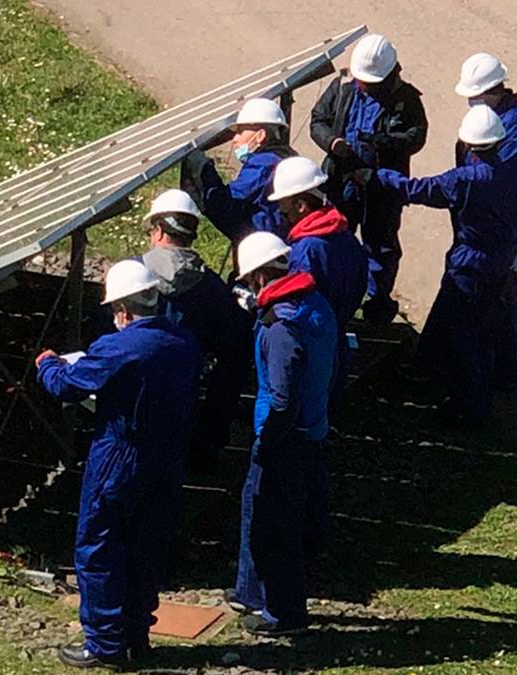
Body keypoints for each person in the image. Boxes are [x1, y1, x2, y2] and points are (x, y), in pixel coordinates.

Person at [37, 260, 203, 670]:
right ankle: (136, 635)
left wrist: (48, 364)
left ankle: (103, 643)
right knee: (146, 548)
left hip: (119, 453)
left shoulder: (118, 348)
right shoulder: (184, 344)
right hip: (166, 457)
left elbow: (67, 386)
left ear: (124, 310)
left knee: (100, 545)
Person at [373, 106, 517, 423]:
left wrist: (378, 176)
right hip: (500, 259)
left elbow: (418, 189)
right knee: (481, 328)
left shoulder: (466, 179)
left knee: (462, 336)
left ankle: (470, 406)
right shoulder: (514, 174)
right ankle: (469, 386)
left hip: (470, 262)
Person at [223, 231, 336, 636]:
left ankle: (283, 613)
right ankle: (252, 593)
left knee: (275, 525)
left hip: (282, 437)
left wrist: (267, 443)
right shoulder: (315, 305)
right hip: (311, 428)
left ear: (257, 277)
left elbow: (283, 398)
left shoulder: (279, 328)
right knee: (265, 511)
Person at [310, 33, 428, 325]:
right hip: (341, 181)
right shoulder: (343, 87)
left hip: (382, 186)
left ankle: (376, 309)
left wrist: (380, 142)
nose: (363, 85)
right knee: (334, 241)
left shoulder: (406, 100)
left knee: (381, 248)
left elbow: (415, 137)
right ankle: (336, 299)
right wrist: (332, 143)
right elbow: (318, 120)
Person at [454, 52, 517, 390]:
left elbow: (491, 182)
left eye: (474, 94)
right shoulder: (493, 119)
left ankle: (499, 372)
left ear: (493, 90)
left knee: (498, 294)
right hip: (487, 222)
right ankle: (490, 367)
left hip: (502, 225)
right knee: (491, 291)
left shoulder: (516, 131)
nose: (470, 100)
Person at [140, 189, 254, 466]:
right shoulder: (212, 288)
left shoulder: (133, 276)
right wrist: (210, 438)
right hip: (184, 396)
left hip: (136, 397)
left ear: (158, 231)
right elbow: (233, 357)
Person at [269, 156, 368, 402]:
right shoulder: (345, 235)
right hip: (336, 340)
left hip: (310, 344)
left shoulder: (306, 250)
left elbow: (295, 304)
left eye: (284, 204)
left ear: (301, 205)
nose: (281, 212)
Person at [183, 98, 296, 244]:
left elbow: (229, 200)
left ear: (260, 135)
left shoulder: (263, 164)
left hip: (264, 242)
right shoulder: (284, 157)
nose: (234, 139)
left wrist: (203, 168)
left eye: (240, 132)